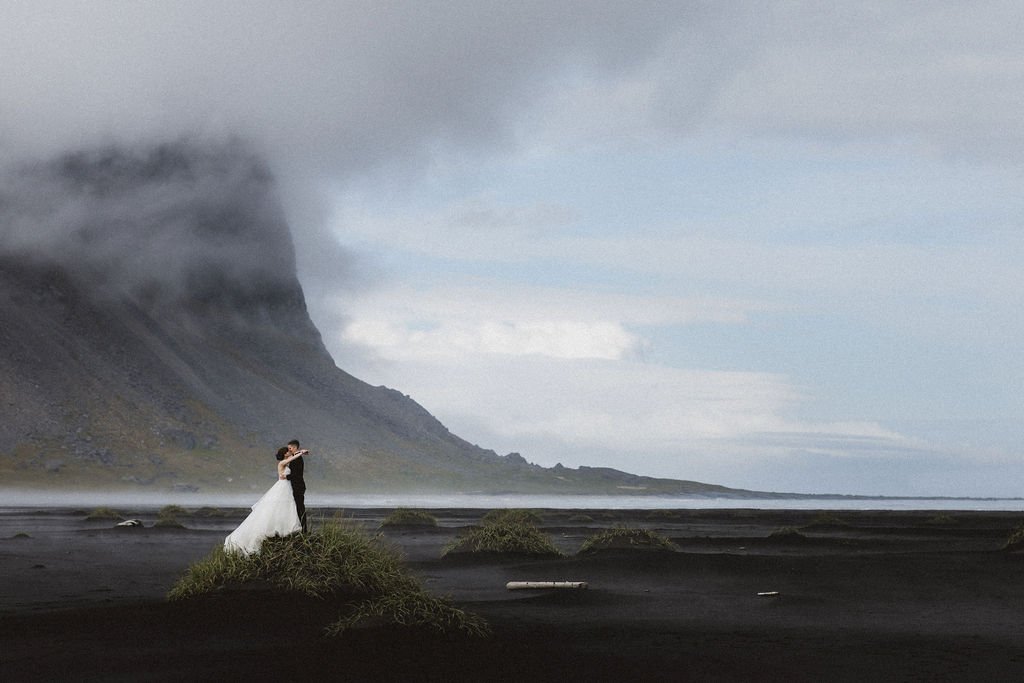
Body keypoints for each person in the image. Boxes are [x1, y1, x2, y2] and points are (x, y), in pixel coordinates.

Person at [223, 447, 304, 555]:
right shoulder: (282, 463)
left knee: (286, 507)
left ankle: (284, 528)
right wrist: (301, 453)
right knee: (278, 506)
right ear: (285, 454)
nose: (290, 452)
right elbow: (291, 459)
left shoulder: (286, 462)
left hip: (287, 487)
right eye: (288, 451)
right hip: (282, 486)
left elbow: (292, 458)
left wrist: (299, 452)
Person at [278, 439, 309, 532]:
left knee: (300, 507)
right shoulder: (293, 458)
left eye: (290, 448)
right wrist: (301, 452)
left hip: (298, 486)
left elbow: (297, 474)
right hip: (292, 486)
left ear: (295, 447)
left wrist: (287, 476)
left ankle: (304, 529)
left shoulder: (297, 459)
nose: (289, 450)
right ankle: (296, 528)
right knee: (294, 507)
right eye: (288, 449)